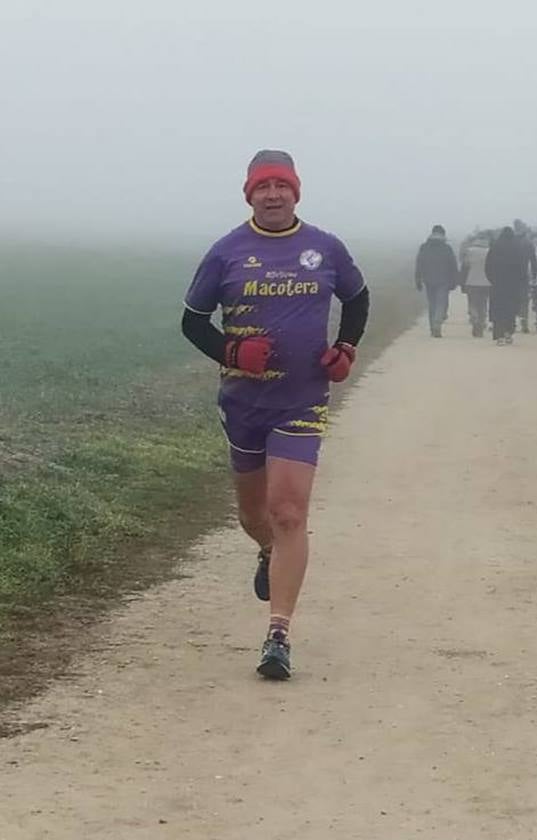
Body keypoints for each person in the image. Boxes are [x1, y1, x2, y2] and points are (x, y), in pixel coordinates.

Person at [181, 149, 369, 679]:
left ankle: (278, 634)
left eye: (281, 186)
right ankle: (267, 550)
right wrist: (232, 354)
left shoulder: (325, 247)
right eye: (262, 187)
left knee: (289, 512)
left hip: (302, 399)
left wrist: (346, 346)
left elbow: (357, 299)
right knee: (255, 516)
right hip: (244, 401)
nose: (272, 195)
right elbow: (192, 321)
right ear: (249, 194)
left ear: (296, 192)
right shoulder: (227, 252)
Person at [485, 226, 529, 345]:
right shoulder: (517, 248)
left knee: (498, 310)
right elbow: (522, 267)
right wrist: (521, 281)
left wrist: (492, 279)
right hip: (513, 285)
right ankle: (508, 333)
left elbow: (487, 266)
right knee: (511, 310)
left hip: (497, 284)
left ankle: (499, 335)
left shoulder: (495, 247)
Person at [415, 225, 459, 338]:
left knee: (432, 304)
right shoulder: (447, 248)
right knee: (441, 303)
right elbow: (453, 265)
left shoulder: (424, 247)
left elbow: (419, 264)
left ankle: (433, 326)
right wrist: (455, 280)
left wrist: (418, 279)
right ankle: (437, 323)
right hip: (444, 280)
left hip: (428, 279)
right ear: (443, 235)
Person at [459, 232, 491, 337]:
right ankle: (481, 323)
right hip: (486, 283)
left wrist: (462, 282)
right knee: (483, 304)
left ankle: (474, 318)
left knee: (473, 303)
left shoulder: (469, 251)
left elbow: (465, 267)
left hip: (471, 282)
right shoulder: (490, 251)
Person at [513, 219, 537, 333]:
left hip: (511, 276)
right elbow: (533, 261)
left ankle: (512, 321)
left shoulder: (511, 241)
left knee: (512, 299)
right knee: (524, 300)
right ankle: (524, 322)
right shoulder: (528, 243)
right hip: (524, 275)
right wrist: (534, 275)